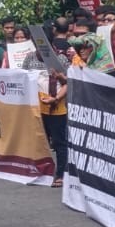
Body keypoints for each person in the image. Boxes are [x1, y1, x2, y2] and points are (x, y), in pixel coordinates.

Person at [39, 57, 69, 188]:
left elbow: (67, 83)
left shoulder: (60, 59)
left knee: (59, 142)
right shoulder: (30, 58)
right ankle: (45, 171)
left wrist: (56, 98)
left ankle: (61, 174)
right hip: (40, 106)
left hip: (57, 107)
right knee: (42, 141)